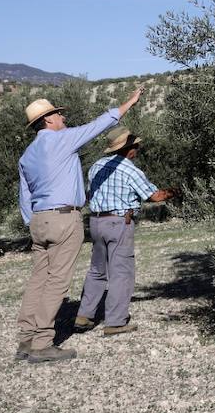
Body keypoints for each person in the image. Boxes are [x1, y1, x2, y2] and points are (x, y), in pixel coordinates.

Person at [15, 87, 142, 364]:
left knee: (39, 279)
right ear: (48, 120)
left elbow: (24, 195)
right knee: (57, 282)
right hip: (63, 218)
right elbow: (99, 125)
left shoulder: (27, 155)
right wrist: (129, 103)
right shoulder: (62, 140)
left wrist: (32, 222)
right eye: (58, 114)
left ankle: (26, 339)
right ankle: (43, 343)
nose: (62, 117)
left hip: (38, 220)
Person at [73, 127, 174, 336]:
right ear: (128, 148)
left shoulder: (96, 166)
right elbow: (154, 196)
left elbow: (91, 194)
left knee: (97, 270)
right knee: (121, 273)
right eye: (135, 145)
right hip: (119, 223)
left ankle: (84, 315)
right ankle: (116, 321)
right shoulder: (129, 169)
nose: (137, 148)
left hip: (96, 222)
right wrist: (177, 191)